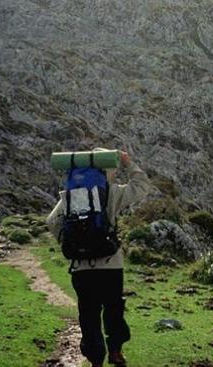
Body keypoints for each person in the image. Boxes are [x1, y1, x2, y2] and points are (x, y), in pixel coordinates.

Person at [46, 149, 151, 367]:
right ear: (106, 171)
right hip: (111, 264)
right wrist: (129, 163)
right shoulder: (112, 193)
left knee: (88, 314)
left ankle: (95, 361)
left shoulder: (70, 194)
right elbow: (142, 186)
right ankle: (115, 352)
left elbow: (51, 221)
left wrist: (70, 243)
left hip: (81, 269)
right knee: (114, 309)